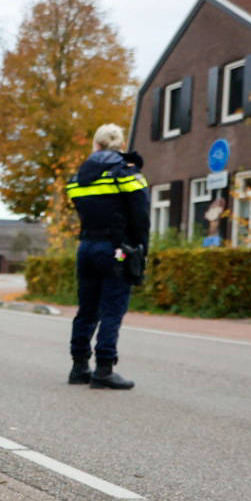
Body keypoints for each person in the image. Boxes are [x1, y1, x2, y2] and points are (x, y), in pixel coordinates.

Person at [66, 123, 149, 390]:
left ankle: (79, 367)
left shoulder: (78, 177)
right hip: (117, 249)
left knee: (87, 309)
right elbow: (141, 216)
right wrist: (141, 251)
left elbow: (80, 206)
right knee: (112, 309)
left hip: (86, 247)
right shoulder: (126, 173)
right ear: (120, 145)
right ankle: (104, 369)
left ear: (96, 144)